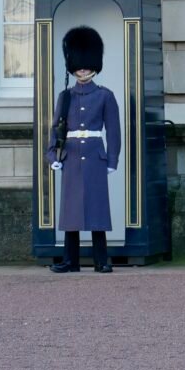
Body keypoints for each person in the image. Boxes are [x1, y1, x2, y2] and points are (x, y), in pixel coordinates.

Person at [46, 25, 120, 273]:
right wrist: (52, 155)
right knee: (71, 211)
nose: (83, 69)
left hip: (96, 156)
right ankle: (70, 260)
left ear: (94, 65)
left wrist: (112, 160)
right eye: (79, 64)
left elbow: (114, 130)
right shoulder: (65, 96)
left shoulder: (104, 96)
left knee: (97, 209)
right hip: (72, 155)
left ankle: (101, 260)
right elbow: (55, 128)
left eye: (86, 64)